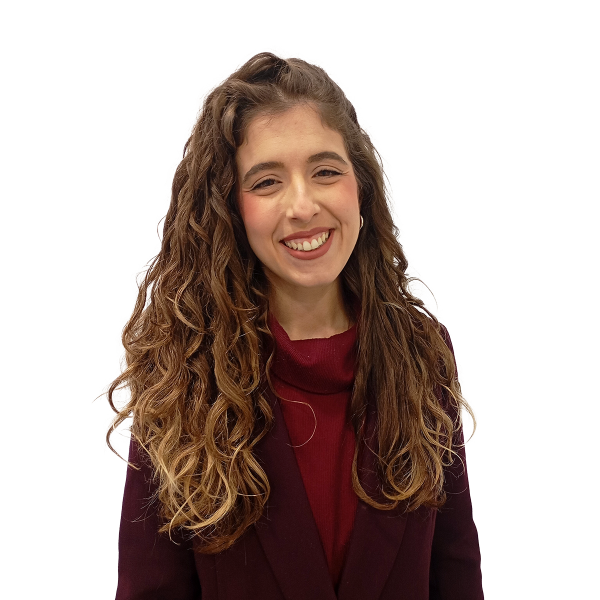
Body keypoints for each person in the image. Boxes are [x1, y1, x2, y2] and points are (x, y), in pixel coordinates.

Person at [103, 49, 483, 599]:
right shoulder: (185, 371)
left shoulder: (421, 349)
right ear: (230, 209)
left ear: (360, 186)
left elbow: (457, 573)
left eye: (326, 171)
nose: (303, 206)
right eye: (266, 182)